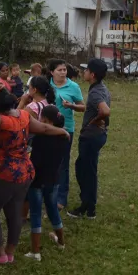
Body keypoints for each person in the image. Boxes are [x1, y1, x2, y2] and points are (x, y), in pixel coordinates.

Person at [0, 82, 69, 265]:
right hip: (24, 172)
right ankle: (10, 252)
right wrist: (62, 131)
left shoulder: (0, 121)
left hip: (3, 173)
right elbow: (44, 128)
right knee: (14, 212)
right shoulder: (24, 116)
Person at [68, 58, 112, 220]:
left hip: (91, 137)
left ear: (92, 74)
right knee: (86, 168)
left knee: (86, 171)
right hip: (98, 135)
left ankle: (87, 207)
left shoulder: (95, 93)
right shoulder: (102, 88)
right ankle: (88, 204)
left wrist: (94, 121)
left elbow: (105, 111)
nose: (83, 72)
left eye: (86, 70)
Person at [25, 105, 67, 261]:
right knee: (52, 209)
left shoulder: (40, 138)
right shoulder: (64, 137)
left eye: (41, 118)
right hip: (53, 180)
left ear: (47, 121)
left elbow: (34, 161)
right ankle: (61, 242)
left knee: (35, 213)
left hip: (37, 181)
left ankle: (35, 251)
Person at [49, 59, 85, 209]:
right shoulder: (47, 85)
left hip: (65, 128)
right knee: (48, 161)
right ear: (52, 72)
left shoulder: (73, 86)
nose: (63, 72)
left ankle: (61, 197)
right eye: (60, 70)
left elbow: (83, 107)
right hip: (46, 127)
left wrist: (72, 106)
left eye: (64, 70)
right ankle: (47, 192)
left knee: (62, 163)